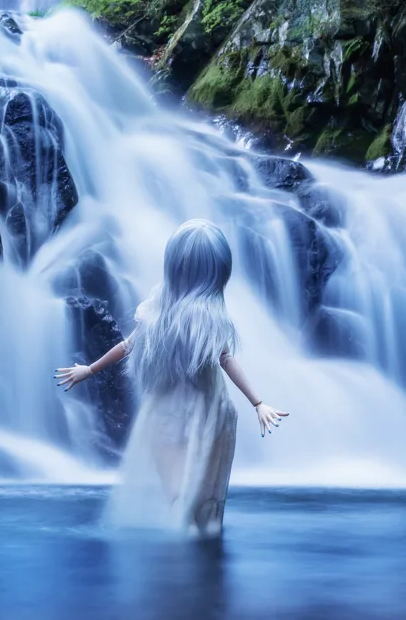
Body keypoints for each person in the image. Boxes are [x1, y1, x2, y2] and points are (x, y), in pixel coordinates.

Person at [55, 219, 287, 536]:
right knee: (187, 495)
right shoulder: (162, 309)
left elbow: (223, 358)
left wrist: (258, 402)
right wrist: (90, 369)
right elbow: (130, 345)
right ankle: (195, 553)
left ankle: (198, 552)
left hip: (197, 412)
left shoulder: (202, 317)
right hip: (181, 413)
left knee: (201, 496)